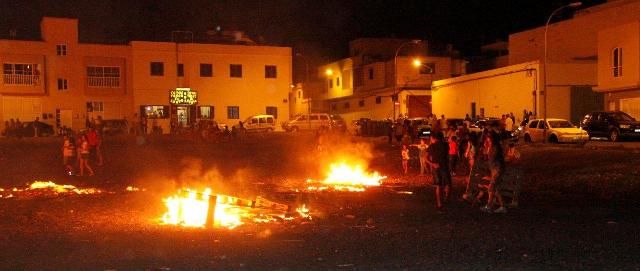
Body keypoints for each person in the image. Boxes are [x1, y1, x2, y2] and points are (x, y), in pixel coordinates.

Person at [479, 132, 507, 214]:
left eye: (489, 138)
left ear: (493, 139)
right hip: (494, 170)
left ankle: (489, 206)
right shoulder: (492, 147)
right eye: (487, 138)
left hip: (497, 170)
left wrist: (488, 148)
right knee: (496, 188)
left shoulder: (495, 148)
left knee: (491, 187)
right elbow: (487, 158)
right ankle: (503, 206)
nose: (487, 140)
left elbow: (492, 157)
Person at [427, 132, 450, 210]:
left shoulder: (432, 146)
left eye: (431, 138)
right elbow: (447, 155)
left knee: (438, 185)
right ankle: (446, 199)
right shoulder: (446, 145)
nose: (430, 140)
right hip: (445, 166)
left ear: (434, 138)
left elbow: (425, 157)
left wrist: (432, 164)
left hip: (436, 167)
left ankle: (439, 203)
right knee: (447, 184)